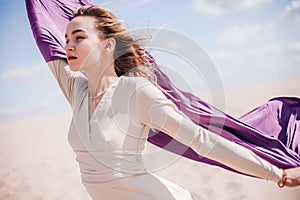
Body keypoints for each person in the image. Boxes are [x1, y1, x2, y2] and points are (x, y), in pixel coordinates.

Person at [26, 1, 300, 200]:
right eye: (66, 39)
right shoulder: (77, 90)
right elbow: (43, 36)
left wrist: (277, 174)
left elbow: (204, 141)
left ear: (108, 45)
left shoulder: (137, 93)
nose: (68, 46)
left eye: (78, 37)